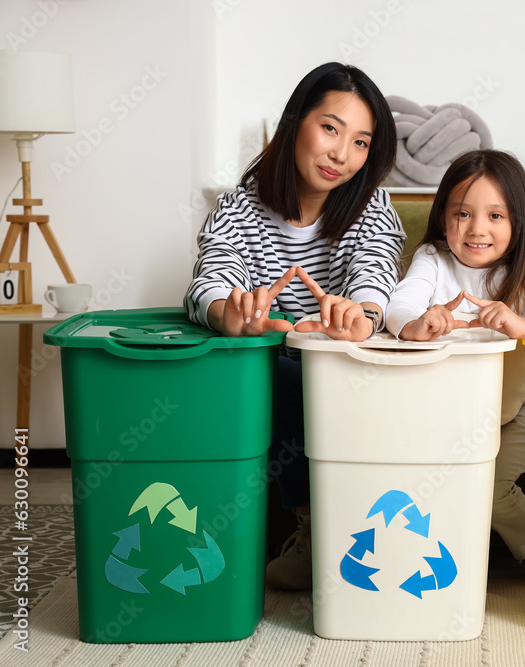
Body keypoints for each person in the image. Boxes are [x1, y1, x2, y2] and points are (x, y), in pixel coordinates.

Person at [183, 62, 405, 590]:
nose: (341, 155)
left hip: (348, 367)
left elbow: (377, 267)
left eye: (360, 143)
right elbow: (210, 277)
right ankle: (311, 528)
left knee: (323, 374)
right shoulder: (238, 208)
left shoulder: (371, 205)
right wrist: (228, 312)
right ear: (294, 123)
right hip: (275, 376)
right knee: (273, 373)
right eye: (330, 128)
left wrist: (363, 315)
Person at [385, 149, 525, 570]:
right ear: (444, 218)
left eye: (496, 216)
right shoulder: (433, 261)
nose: (477, 229)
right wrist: (417, 323)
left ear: (519, 224)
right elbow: (399, 304)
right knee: (436, 487)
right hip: (449, 415)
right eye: (463, 214)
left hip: (516, 411)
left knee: (491, 490)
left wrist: (523, 325)